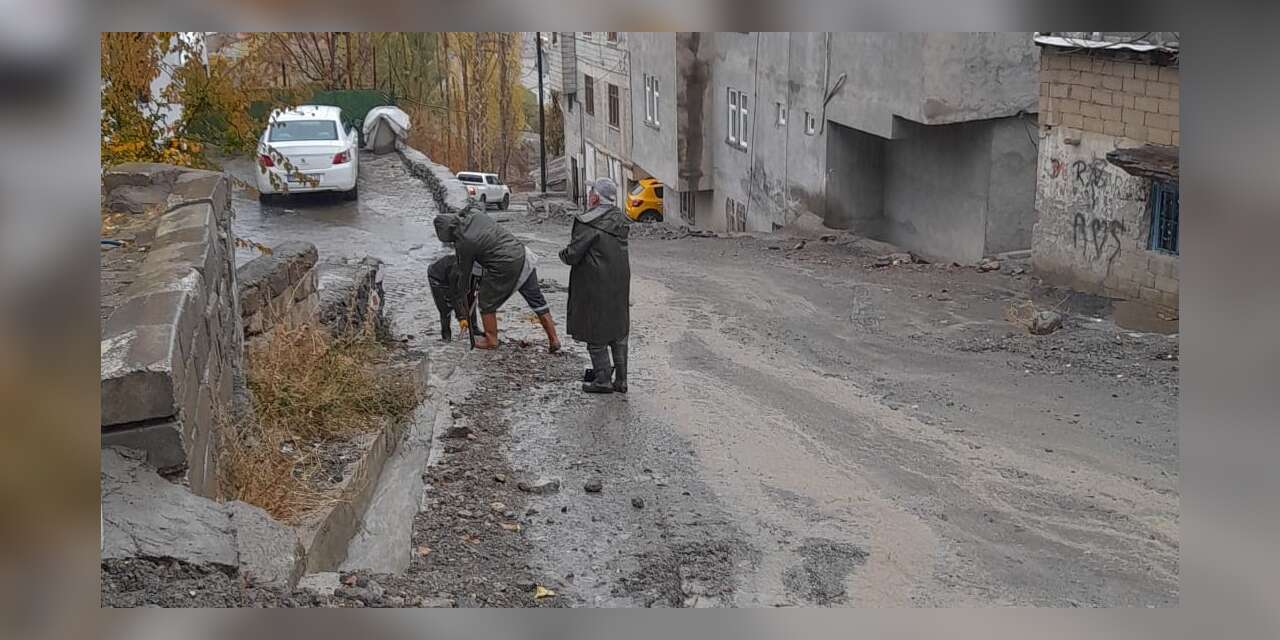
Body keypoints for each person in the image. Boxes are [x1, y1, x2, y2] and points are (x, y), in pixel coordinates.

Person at [433, 202, 561, 352]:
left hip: (505, 265)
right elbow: (474, 206)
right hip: (523, 254)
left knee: (486, 301)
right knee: (536, 300)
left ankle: (491, 340)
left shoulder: (464, 243)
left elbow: (464, 274)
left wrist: (461, 296)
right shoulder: (475, 214)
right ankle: (554, 339)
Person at [559, 177, 631, 394]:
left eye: (591, 191)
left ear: (596, 197)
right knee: (618, 332)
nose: (589, 194)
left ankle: (602, 380)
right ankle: (621, 380)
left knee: (596, 334)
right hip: (619, 281)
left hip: (594, 284)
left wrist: (562, 253)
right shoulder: (620, 219)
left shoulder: (588, 223)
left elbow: (572, 255)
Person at [426, 253, 482, 341]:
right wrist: (461, 318)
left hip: (452, 274)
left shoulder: (478, 267)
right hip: (437, 277)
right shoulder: (458, 272)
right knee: (445, 307)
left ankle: (474, 329)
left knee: (470, 298)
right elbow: (454, 296)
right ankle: (446, 336)